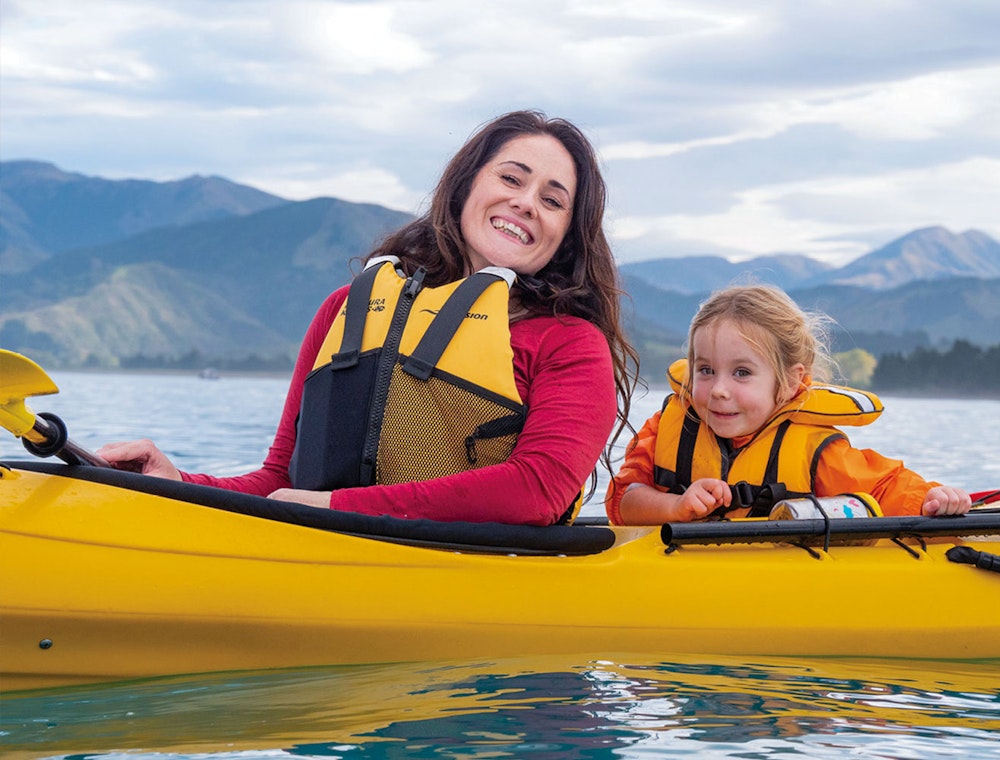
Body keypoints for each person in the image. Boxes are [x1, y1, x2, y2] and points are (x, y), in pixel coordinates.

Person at [98, 110, 638, 526]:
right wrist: (178, 483)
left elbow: (537, 492)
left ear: (567, 235)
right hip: (326, 550)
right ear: (467, 185)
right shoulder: (345, 310)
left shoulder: (571, 345)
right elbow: (282, 479)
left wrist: (336, 507)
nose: (525, 203)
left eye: (552, 200)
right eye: (512, 179)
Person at [606, 284, 971, 525]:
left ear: (790, 381)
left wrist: (934, 498)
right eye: (705, 370)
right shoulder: (665, 427)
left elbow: (887, 488)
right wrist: (675, 507)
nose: (718, 389)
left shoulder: (817, 452)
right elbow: (623, 500)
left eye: (742, 373)